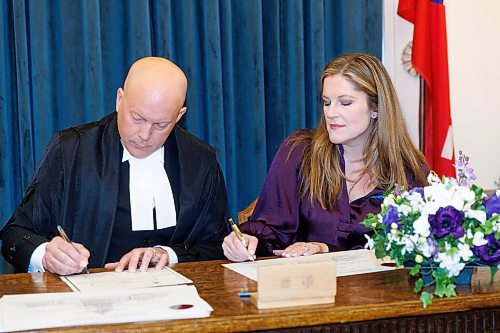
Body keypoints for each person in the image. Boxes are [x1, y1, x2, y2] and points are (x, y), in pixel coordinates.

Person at [1, 57, 230, 274]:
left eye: (161, 124)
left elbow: (217, 245)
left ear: (179, 116)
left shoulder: (200, 160)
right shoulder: (71, 151)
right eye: (137, 118)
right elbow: (15, 234)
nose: (144, 134)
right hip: (87, 302)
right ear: (120, 100)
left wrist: (168, 254)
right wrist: (45, 255)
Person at [223, 53, 429, 262]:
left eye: (345, 103)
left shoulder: (407, 171)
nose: (331, 113)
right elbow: (271, 229)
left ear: (375, 108)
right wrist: (246, 240)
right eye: (326, 102)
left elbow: (415, 248)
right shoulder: (300, 152)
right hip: (308, 288)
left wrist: (325, 249)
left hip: (380, 291)